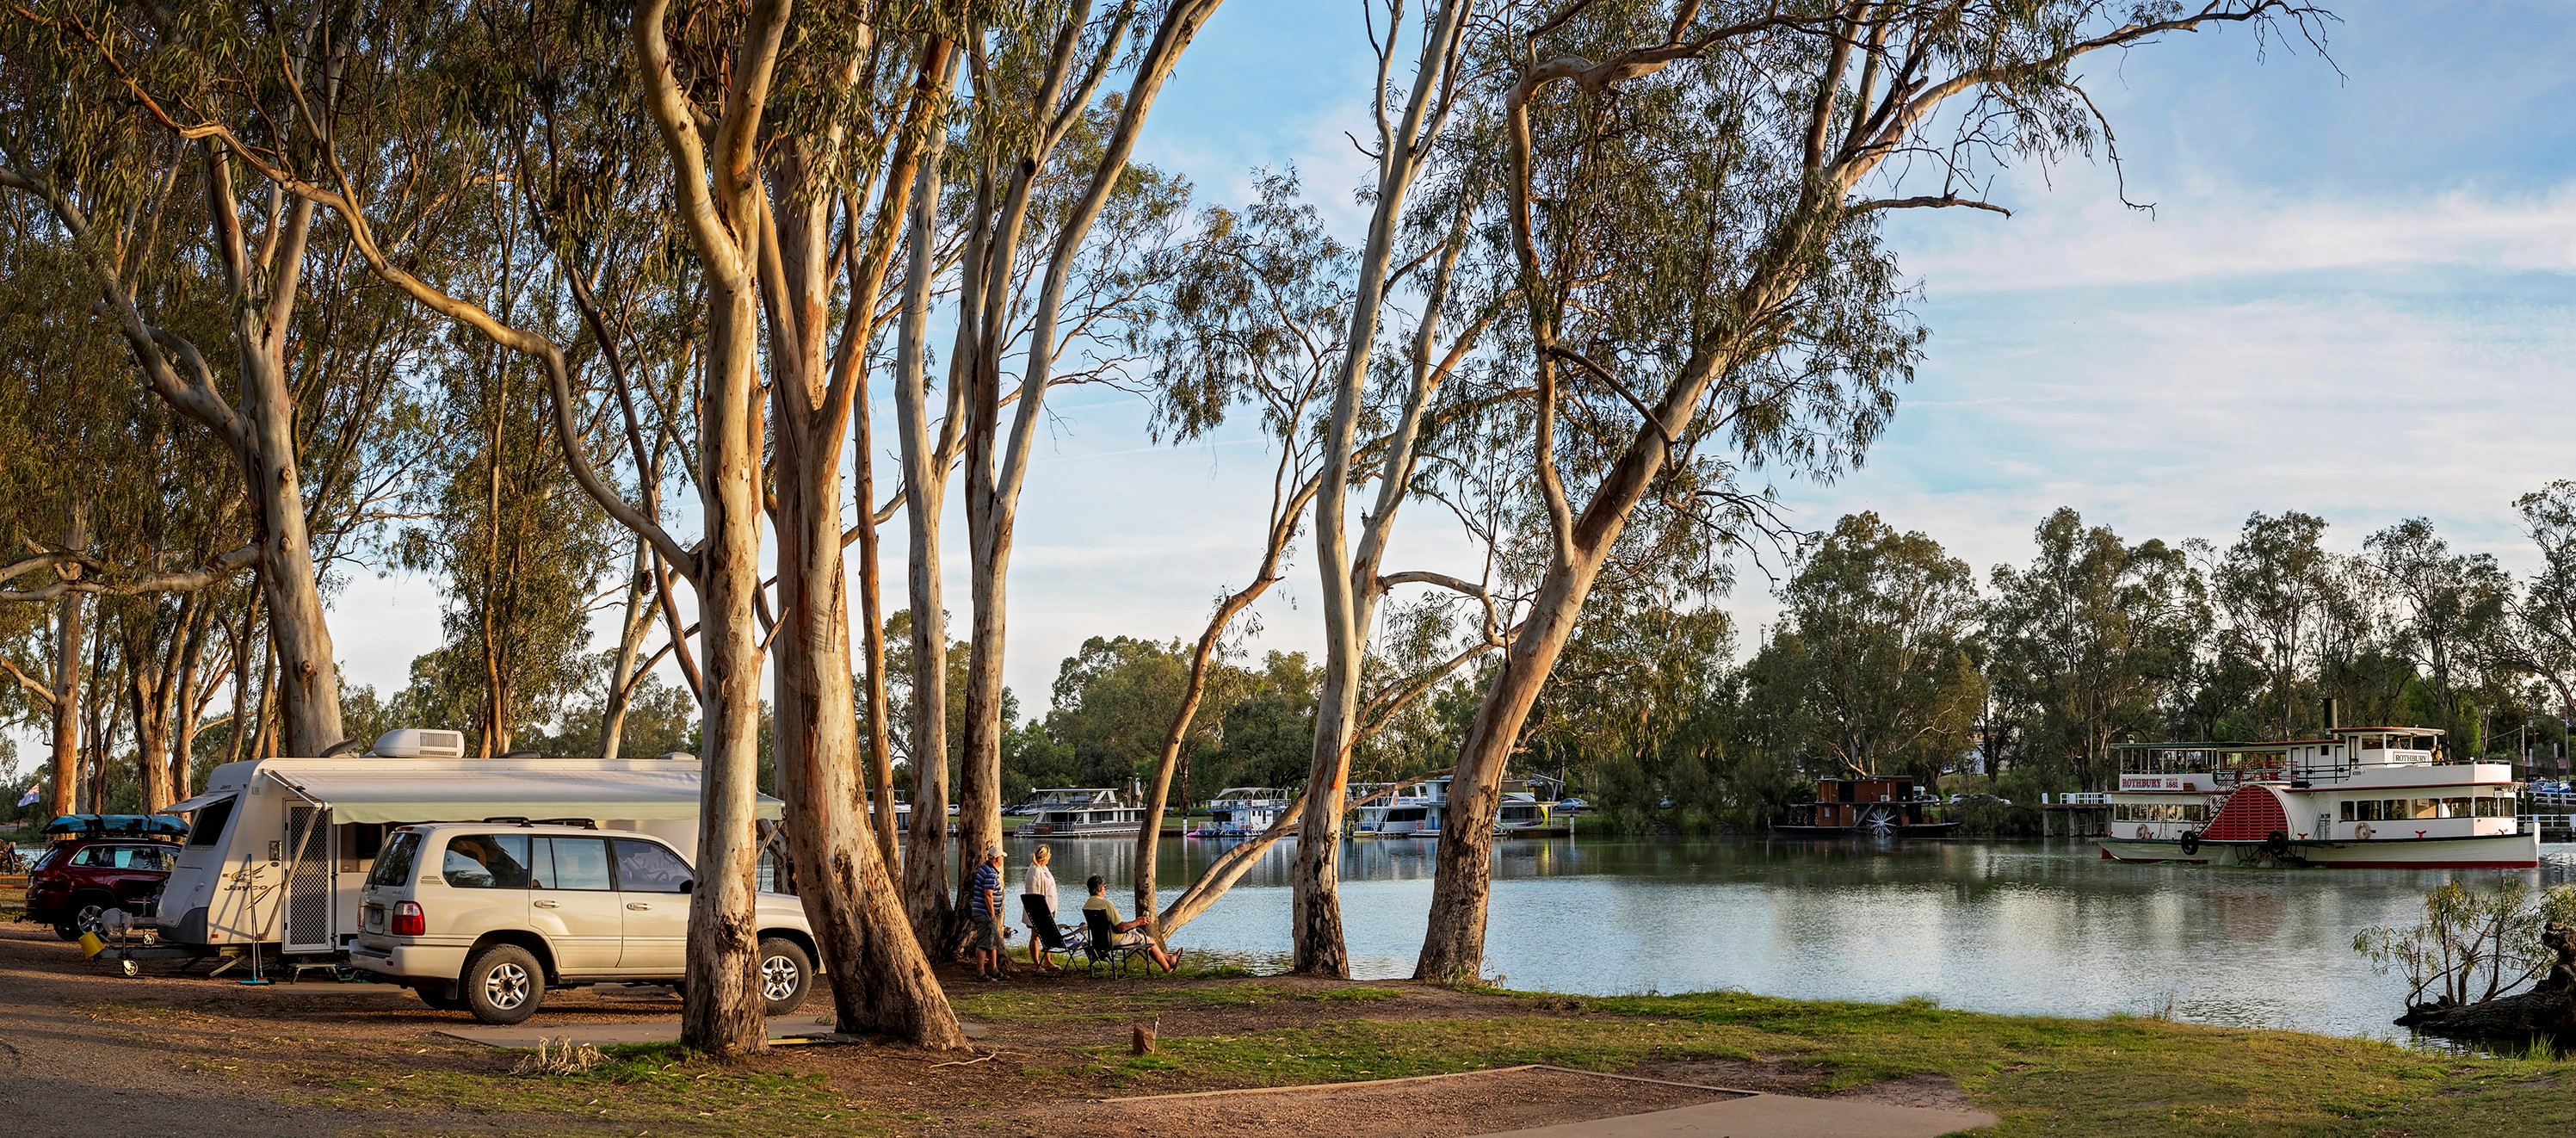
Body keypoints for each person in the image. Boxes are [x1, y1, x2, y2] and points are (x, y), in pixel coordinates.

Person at [1080, 874, 1183, 974]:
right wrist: (1138, 922)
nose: (1105, 889)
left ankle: (1170, 959)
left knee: (1140, 936)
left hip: (1099, 942)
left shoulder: (1087, 906)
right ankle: (1168, 969)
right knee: (1149, 940)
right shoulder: (1106, 904)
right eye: (1104, 886)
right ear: (1101, 888)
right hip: (1115, 940)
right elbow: (1121, 928)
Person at [1020, 844, 1066, 974]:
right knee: (1035, 936)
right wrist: (1037, 912)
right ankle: (1036, 964)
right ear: (1046, 856)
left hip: (1049, 908)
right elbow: (1033, 894)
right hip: (1039, 910)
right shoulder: (1034, 871)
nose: (1050, 857)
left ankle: (1047, 961)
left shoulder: (1043, 868)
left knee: (1048, 934)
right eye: (1049, 855)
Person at [969, 846, 1009, 980]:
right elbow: (988, 894)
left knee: (992, 942)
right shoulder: (991, 873)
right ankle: (980, 972)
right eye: (1002, 857)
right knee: (984, 943)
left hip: (982, 911)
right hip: (985, 913)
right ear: (997, 859)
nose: (1003, 859)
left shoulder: (985, 868)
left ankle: (994, 969)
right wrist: (992, 913)